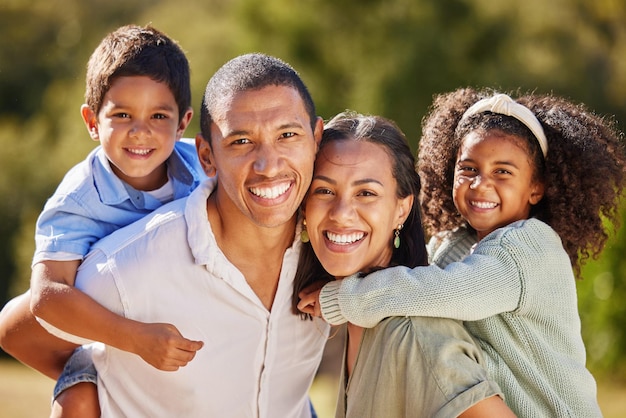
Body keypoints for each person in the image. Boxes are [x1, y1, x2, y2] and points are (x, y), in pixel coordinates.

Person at [300, 89, 626, 416]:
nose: (480, 183)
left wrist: (345, 298)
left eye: (503, 172)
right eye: (468, 168)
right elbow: (419, 281)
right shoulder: (455, 242)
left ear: (536, 187)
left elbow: (444, 290)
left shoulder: (529, 246)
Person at [40, 53, 328, 417]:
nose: (268, 166)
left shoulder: (333, 249)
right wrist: (85, 383)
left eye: (287, 135)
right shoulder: (123, 267)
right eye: (241, 142)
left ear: (316, 138)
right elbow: (29, 323)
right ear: (206, 156)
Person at [0, 24, 206, 417]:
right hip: (112, 340)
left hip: (189, 329)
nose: (140, 130)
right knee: (75, 401)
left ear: (183, 123)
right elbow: (47, 295)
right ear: (93, 122)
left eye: (159, 115)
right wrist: (136, 340)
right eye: (122, 114)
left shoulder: (203, 170)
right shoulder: (79, 199)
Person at [294, 111, 516, 418]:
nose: (341, 213)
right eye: (325, 190)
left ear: (402, 209)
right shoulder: (359, 321)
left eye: (366, 193)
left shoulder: (415, 337)